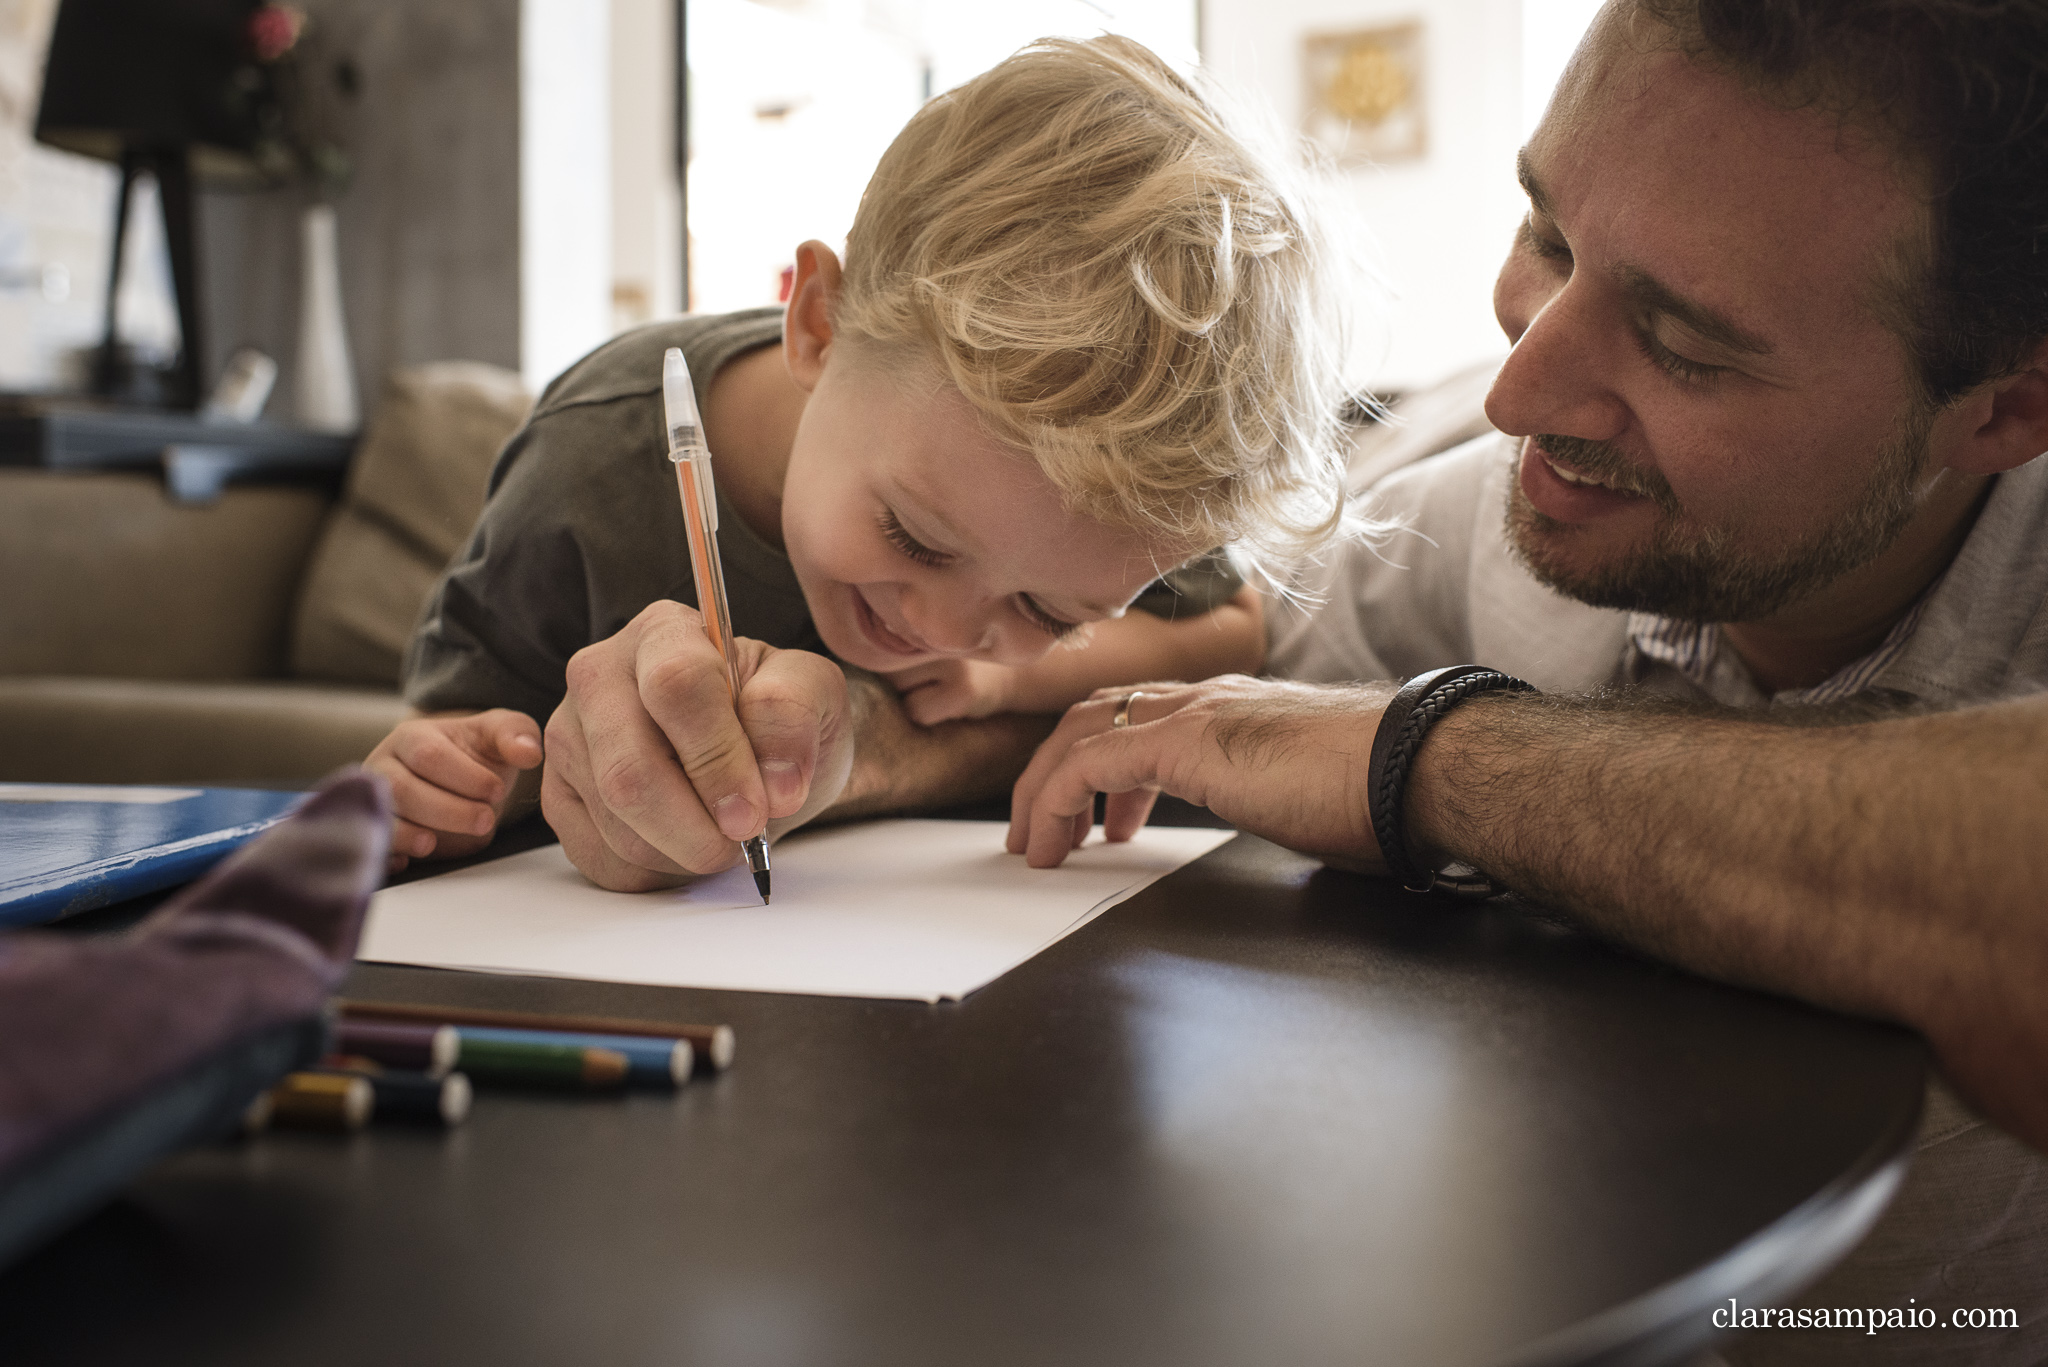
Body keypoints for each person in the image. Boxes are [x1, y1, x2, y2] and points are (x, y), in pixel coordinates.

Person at [1010, 2, 2048, 1363]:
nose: (1522, 390)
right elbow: (1194, 671)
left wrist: (1435, 755)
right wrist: (850, 736)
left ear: (2006, 411)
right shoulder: (1524, 493)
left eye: (1683, 344)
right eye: (1549, 239)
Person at [363, 36, 1360, 890]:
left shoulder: (1119, 473)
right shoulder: (591, 463)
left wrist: (1010, 683)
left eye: (1049, 614)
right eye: (914, 538)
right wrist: (448, 773)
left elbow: (1230, 627)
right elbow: (465, 731)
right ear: (817, 323)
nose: (946, 629)